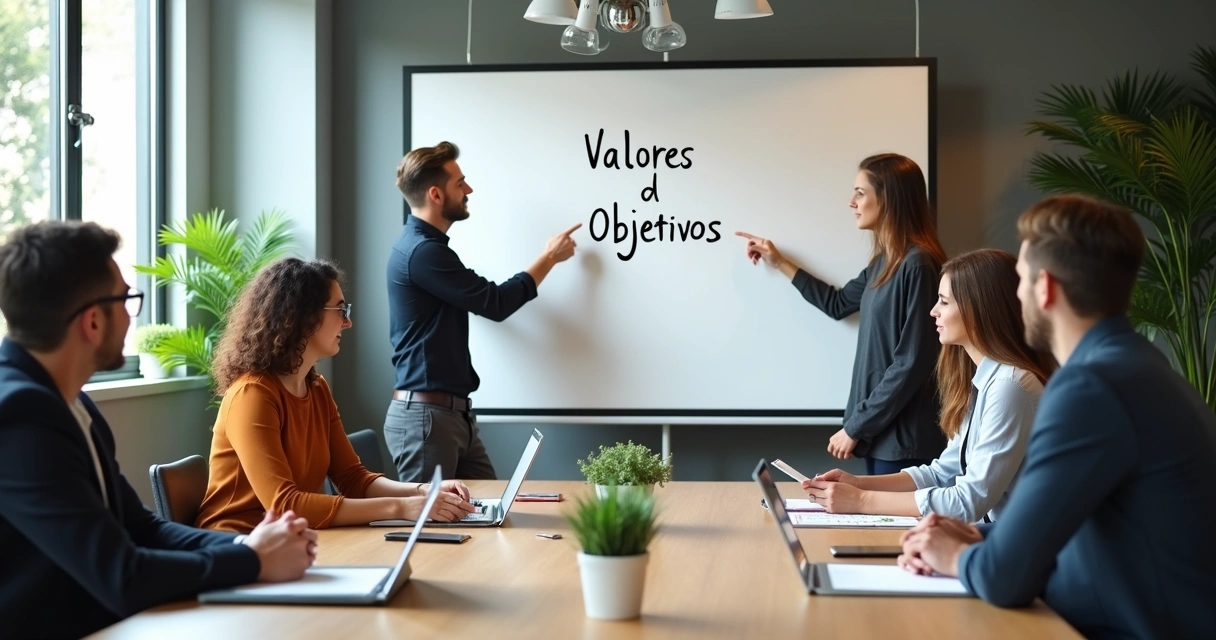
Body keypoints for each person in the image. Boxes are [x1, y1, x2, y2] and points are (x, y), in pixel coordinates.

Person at [899, 195, 1216, 639]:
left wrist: (954, 557)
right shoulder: (1136, 365)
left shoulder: (1090, 387)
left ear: (1045, 288)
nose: (1016, 295)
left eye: (1021, 280)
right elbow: (1086, 535)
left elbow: (1004, 579)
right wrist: (981, 542)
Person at [0, 222, 315, 639]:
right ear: (92, 322)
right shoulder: (21, 416)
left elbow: (144, 528)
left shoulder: (69, 401)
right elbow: (122, 577)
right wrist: (254, 561)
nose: (133, 315)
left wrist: (252, 544)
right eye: (127, 299)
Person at [195, 258, 477, 533]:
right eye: (341, 310)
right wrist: (402, 508)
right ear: (303, 316)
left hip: (292, 541)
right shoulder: (252, 395)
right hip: (235, 547)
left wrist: (424, 492)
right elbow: (283, 504)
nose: (348, 322)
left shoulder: (317, 388)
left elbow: (353, 479)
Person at [802, 249, 1054, 522]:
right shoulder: (984, 379)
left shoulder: (1009, 387)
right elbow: (942, 472)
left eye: (944, 302)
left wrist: (861, 501)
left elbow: (968, 502)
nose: (933, 311)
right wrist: (858, 484)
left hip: (1004, 549)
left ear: (979, 310)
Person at [737, 153, 948, 474]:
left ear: (888, 198)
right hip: (882, 435)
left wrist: (856, 426)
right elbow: (837, 305)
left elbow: (913, 362)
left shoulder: (918, 264)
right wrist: (779, 261)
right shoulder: (883, 263)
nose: (852, 202)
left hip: (905, 442)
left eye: (860, 193)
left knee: (899, 526)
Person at [384, 141, 580, 483]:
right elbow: (495, 303)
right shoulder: (423, 253)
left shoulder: (425, 249)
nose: (468, 189)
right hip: (428, 419)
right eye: (460, 183)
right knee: (429, 529)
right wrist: (549, 257)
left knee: (490, 513)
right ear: (436, 194)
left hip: (449, 416)